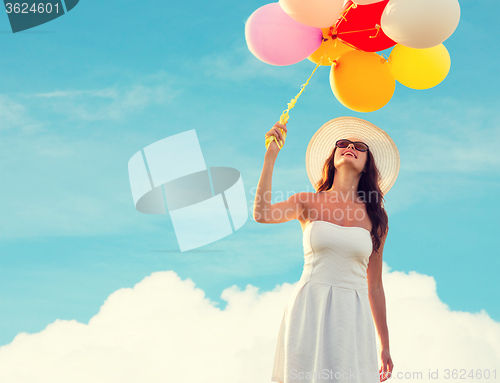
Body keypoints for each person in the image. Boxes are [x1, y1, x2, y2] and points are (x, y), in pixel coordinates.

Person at [253, 117, 399, 383]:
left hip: (353, 315)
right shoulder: (306, 201)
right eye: (342, 143)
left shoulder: (377, 218)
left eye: (359, 146)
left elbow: (374, 285)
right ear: (332, 156)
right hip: (309, 305)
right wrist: (270, 156)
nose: (349, 147)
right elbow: (262, 214)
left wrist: (384, 343)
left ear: (368, 164)